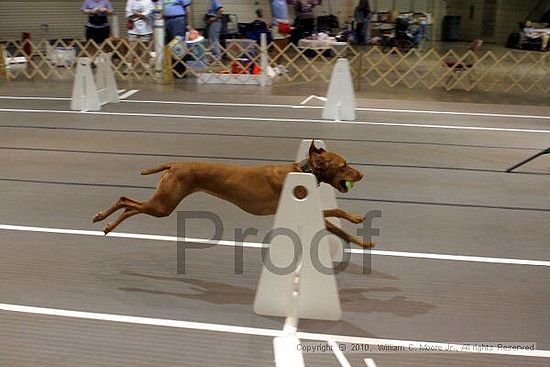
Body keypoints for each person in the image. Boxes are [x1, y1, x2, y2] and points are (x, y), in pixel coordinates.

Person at [125, 0, 154, 72]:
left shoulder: (148, 1)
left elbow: (149, 13)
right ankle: (129, 66)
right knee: (131, 47)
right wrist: (139, 14)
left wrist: (137, 14)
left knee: (145, 48)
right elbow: (128, 12)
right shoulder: (130, 1)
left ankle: (146, 66)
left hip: (145, 28)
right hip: (133, 28)